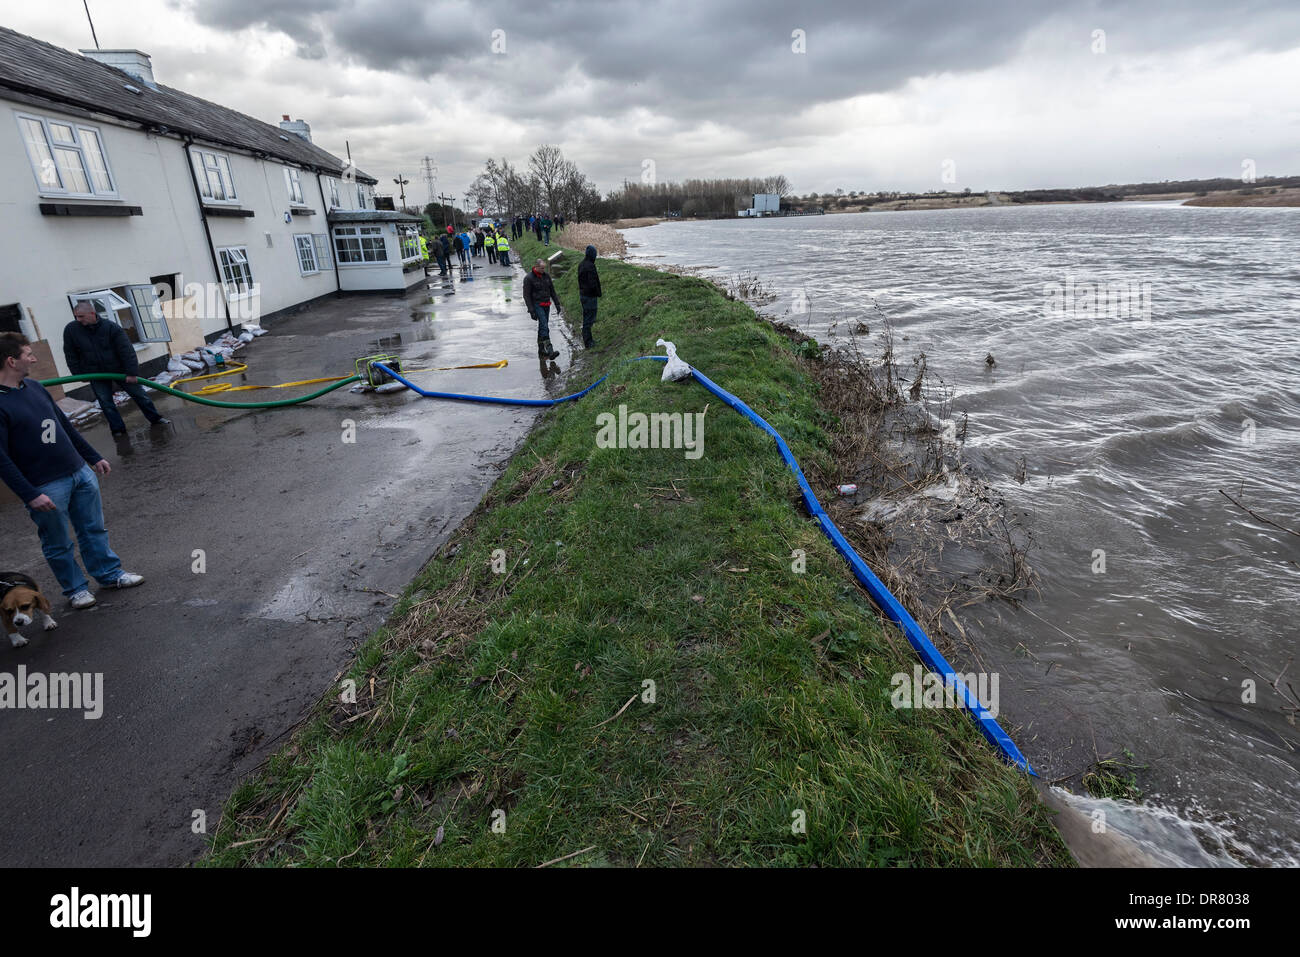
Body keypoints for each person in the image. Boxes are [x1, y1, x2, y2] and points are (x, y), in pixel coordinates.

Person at [0, 333, 145, 608]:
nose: (34, 358)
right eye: (28, 354)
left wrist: (91, 456)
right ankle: (76, 589)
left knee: (93, 529)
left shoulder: (33, 387)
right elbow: (2, 459)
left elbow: (62, 427)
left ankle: (109, 574)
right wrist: (30, 494)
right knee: (58, 543)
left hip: (78, 472)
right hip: (45, 486)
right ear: (11, 361)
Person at [63, 302, 168, 437]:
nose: (78, 320)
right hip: (95, 373)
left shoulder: (111, 327)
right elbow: (70, 354)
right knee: (105, 403)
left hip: (119, 370)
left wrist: (131, 373)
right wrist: (79, 374)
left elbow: (126, 350)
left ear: (92, 313)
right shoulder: (72, 330)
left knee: (140, 395)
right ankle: (118, 430)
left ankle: (156, 419)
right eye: (76, 317)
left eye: (81, 316)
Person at [522, 259, 561, 360]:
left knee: (542, 327)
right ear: (536, 267)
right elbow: (526, 295)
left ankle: (541, 349)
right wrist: (531, 310)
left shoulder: (546, 276)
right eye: (542, 268)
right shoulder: (528, 278)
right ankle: (550, 349)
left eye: (544, 268)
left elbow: (552, 291)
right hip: (537, 304)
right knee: (544, 326)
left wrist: (557, 304)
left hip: (546, 304)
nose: (544, 270)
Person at [577, 244, 602, 348]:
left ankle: (589, 339)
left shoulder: (581, 264)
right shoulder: (590, 266)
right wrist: (597, 292)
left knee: (587, 317)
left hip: (583, 295)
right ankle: (588, 342)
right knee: (589, 319)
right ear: (593, 255)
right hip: (590, 296)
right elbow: (592, 283)